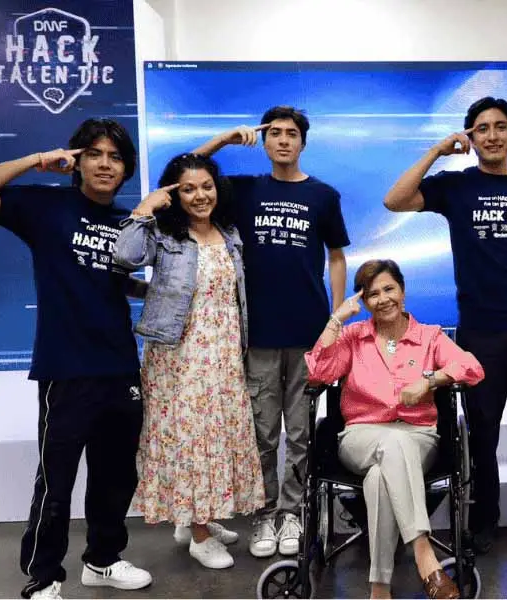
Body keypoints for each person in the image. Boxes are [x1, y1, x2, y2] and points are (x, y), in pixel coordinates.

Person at [383, 97, 507, 554]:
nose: (492, 135)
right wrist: (435, 151)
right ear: (470, 135)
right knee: (482, 432)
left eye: (500, 126)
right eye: (481, 128)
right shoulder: (456, 185)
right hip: (480, 331)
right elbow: (396, 199)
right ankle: (484, 519)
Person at [0, 119, 153, 599]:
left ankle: (102, 560)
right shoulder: (46, 205)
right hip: (66, 368)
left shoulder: (126, 223)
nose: (105, 164)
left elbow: (113, 280)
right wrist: (37, 160)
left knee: (116, 475)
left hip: (121, 365)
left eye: (115, 157)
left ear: (125, 169)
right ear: (77, 160)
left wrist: (156, 290)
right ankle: (43, 577)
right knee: (56, 480)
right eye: (95, 153)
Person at [192, 106, 350, 558]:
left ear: (303, 142)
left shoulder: (324, 195)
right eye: (275, 133)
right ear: (264, 141)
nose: (283, 140)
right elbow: (186, 174)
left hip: (307, 333)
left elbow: (336, 255)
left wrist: (335, 318)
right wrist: (223, 140)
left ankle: (293, 512)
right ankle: (263, 513)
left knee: (300, 432)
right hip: (257, 333)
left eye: (292, 134)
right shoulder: (243, 191)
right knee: (262, 433)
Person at [113, 153, 265, 569]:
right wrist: (144, 209)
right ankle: (199, 536)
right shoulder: (164, 233)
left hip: (224, 352)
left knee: (217, 437)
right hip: (182, 356)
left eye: (206, 186)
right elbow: (123, 258)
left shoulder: (228, 232)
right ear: (173, 194)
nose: (200, 195)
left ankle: (195, 518)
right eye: (188, 188)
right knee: (192, 441)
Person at [305, 259, 485, 600]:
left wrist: (430, 379)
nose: (383, 299)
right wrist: (337, 318)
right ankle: (425, 557)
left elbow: (472, 367)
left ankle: (379, 589)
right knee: (390, 443)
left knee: (379, 478)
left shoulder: (429, 336)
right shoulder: (355, 336)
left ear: (402, 291)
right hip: (361, 436)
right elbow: (317, 372)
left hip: (418, 437)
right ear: (365, 301)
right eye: (372, 294)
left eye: (389, 289)